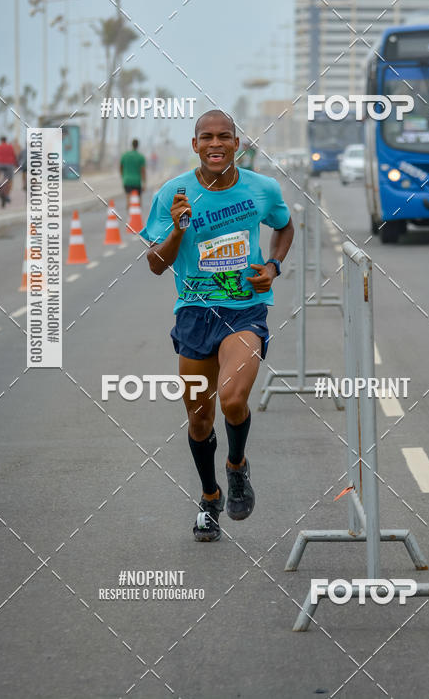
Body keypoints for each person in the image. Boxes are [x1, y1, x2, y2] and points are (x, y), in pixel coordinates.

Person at [142, 110, 294, 542]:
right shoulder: (173, 193)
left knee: (232, 398)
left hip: (245, 310)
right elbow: (155, 264)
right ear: (195, 145)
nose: (215, 144)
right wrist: (178, 229)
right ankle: (210, 497)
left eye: (224, 137)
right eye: (206, 137)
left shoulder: (262, 188)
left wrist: (273, 266)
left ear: (236, 144)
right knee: (198, 421)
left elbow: (285, 227)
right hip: (194, 314)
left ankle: (236, 466)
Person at [120, 138, 146, 209]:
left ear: (131, 145)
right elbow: (143, 171)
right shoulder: (140, 157)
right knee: (138, 200)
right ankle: (138, 213)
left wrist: (123, 177)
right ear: (138, 145)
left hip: (127, 180)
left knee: (128, 199)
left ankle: (129, 214)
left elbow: (121, 167)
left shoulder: (124, 155)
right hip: (137, 181)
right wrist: (144, 183)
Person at [0, 135, 17, 207]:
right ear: (6, 140)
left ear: (1, 140)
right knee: (10, 180)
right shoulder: (10, 147)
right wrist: (16, 164)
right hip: (9, 164)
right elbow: (14, 156)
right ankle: (7, 195)